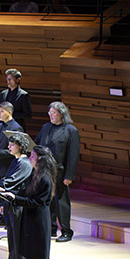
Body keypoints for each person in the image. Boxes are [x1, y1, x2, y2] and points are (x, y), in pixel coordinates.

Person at [2, 145, 57, 259]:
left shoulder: (45, 178)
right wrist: (11, 194)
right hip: (31, 219)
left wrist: (16, 199)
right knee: (31, 255)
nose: (29, 157)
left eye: (32, 156)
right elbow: (25, 192)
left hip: (39, 222)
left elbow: (38, 202)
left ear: (40, 159)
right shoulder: (36, 174)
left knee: (37, 257)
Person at [35, 102, 79, 242]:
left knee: (61, 203)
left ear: (62, 114)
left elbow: (73, 155)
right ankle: (51, 228)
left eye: (54, 113)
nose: (51, 115)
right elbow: (36, 144)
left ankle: (66, 231)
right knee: (47, 201)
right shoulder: (46, 127)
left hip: (60, 172)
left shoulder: (70, 130)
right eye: (50, 112)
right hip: (44, 170)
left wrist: (69, 176)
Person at [0, 132, 32, 259]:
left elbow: (11, 182)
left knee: (18, 239)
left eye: (12, 144)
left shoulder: (24, 163)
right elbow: (7, 181)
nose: (9, 146)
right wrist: (3, 203)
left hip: (18, 205)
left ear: (21, 147)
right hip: (10, 204)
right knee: (11, 239)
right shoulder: (15, 161)